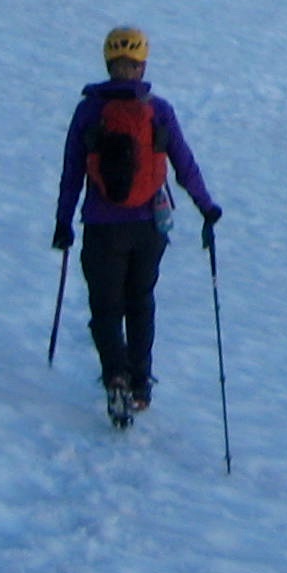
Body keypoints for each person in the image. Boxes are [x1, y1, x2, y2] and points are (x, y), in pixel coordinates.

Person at [53, 26, 220, 428]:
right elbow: (183, 162)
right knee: (140, 302)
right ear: (142, 64)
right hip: (149, 226)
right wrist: (205, 205)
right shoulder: (158, 110)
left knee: (105, 307)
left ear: (108, 63)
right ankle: (141, 386)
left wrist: (62, 221)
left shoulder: (89, 111)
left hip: (102, 224)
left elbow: (72, 171)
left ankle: (116, 378)